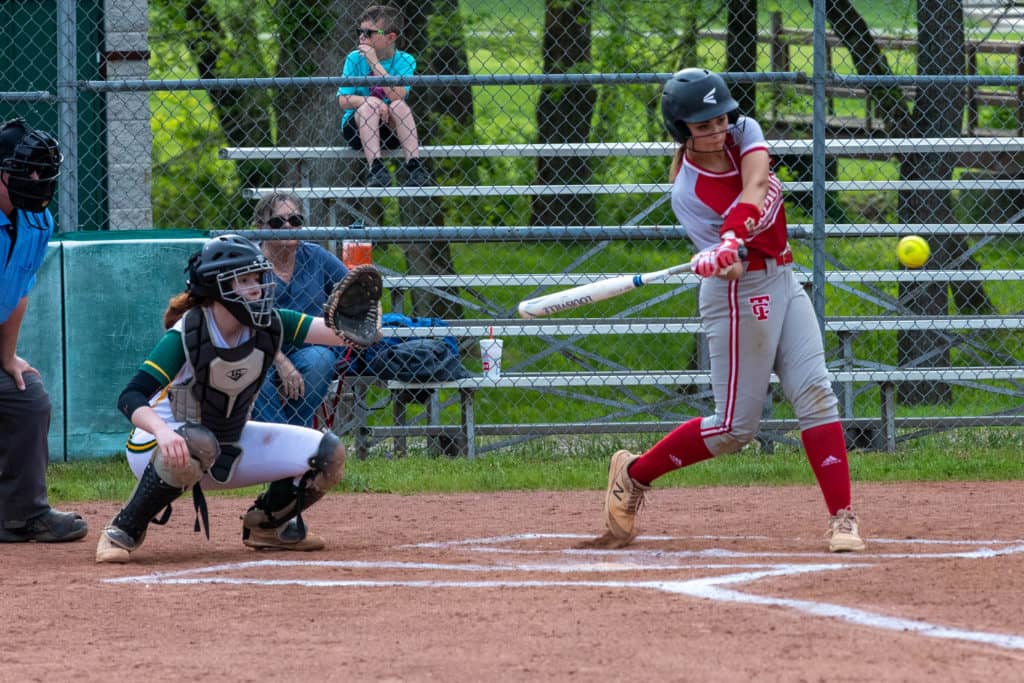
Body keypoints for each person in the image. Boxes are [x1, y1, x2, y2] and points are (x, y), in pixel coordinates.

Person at [584, 68, 865, 554]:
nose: (717, 130)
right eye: (703, 125)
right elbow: (731, 270)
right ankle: (634, 474)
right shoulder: (688, 193)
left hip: (783, 276)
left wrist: (732, 233)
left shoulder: (745, 131)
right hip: (738, 294)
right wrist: (720, 259)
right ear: (682, 130)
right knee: (735, 429)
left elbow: (756, 185)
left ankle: (843, 517)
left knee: (816, 393)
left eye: (720, 119)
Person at [95, 234, 364, 563]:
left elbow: (339, 334)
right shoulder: (189, 332)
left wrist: (361, 321)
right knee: (198, 440)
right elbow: (131, 396)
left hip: (226, 441)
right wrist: (163, 432)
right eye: (244, 280)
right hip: (159, 447)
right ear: (217, 287)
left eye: (257, 279)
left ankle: (267, 525)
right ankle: (123, 529)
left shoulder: (270, 323)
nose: (257, 288)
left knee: (329, 453)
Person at [0, 119, 88, 544]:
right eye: (25, 170)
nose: (36, 180)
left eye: (42, 171)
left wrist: (7, 357)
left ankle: (21, 515)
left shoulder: (37, 223)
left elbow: (18, 292)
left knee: (28, 399)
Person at [250, 192, 350, 427]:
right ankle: (281, 437)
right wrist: (281, 361)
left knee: (320, 360)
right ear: (260, 226)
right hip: (259, 347)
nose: (288, 227)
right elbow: (241, 322)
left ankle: (294, 432)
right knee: (252, 370)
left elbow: (355, 288)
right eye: (278, 222)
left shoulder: (315, 256)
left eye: (295, 220)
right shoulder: (249, 261)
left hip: (306, 347)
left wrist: (371, 316)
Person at [336, 4, 431, 187]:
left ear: (390, 37)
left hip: (391, 131)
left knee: (399, 106)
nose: (362, 37)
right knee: (369, 107)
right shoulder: (354, 59)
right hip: (357, 129)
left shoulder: (405, 60)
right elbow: (343, 100)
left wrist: (374, 63)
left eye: (369, 33)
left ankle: (415, 167)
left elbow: (397, 95)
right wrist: (370, 100)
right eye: (360, 32)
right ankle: (376, 170)